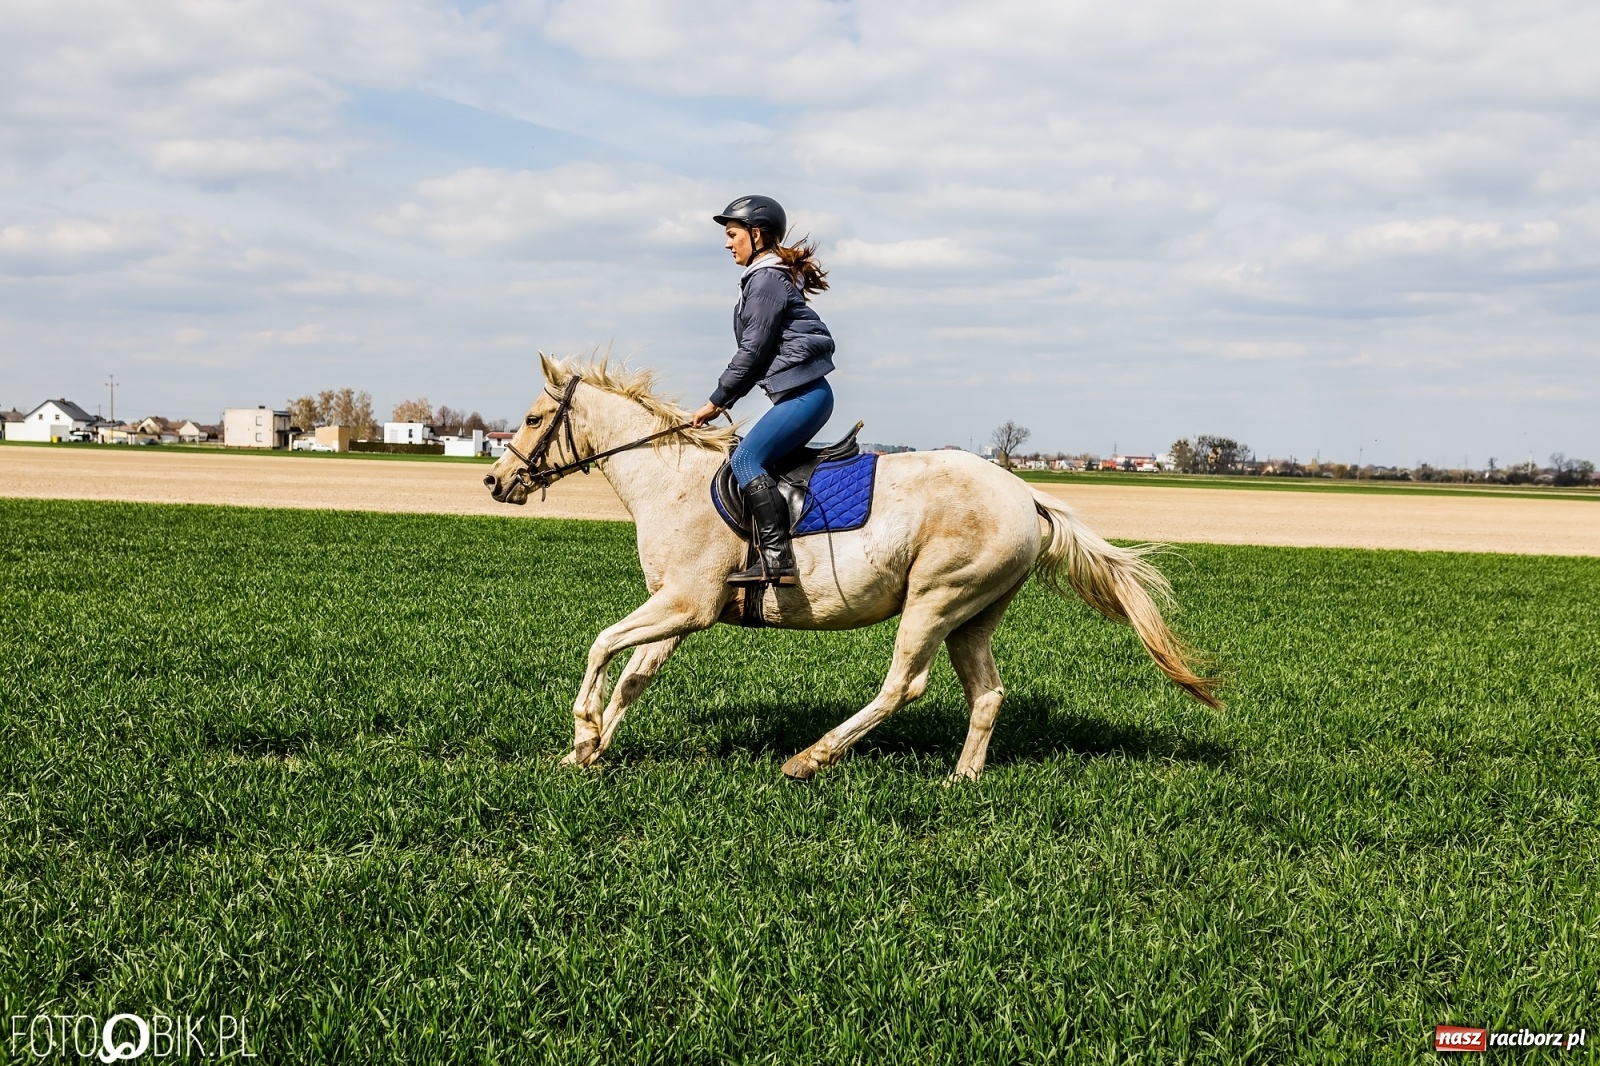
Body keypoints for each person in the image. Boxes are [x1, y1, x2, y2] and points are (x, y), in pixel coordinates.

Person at [690, 195, 835, 587]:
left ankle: (777, 560)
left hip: (805, 396)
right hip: (802, 395)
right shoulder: (765, 278)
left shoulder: (766, 280)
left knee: (745, 460)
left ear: (757, 234)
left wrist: (715, 402)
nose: (727, 243)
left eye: (732, 234)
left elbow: (752, 351)